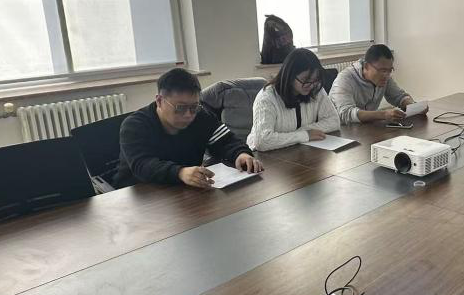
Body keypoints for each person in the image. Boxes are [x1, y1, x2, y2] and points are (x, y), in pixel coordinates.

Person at [114, 68, 263, 189]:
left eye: (194, 107)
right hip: (140, 194)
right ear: (159, 101)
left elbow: (226, 141)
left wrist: (241, 154)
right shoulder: (135, 125)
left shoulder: (201, 116)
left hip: (185, 190)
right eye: (180, 108)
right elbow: (142, 165)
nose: (188, 115)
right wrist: (179, 173)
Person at [247, 48, 341, 151]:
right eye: (305, 80)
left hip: (297, 149)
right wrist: (304, 135)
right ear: (290, 75)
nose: (311, 85)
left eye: (315, 79)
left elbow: (334, 121)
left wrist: (304, 132)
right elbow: (263, 141)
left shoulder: (316, 89)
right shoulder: (266, 98)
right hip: (264, 156)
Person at [329, 44, 427, 125]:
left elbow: (399, 96)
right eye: (383, 71)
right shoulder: (344, 79)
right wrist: (383, 114)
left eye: (390, 70)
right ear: (366, 66)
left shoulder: (385, 77)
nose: (386, 75)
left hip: (368, 128)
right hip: (343, 131)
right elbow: (346, 114)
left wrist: (414, 107)